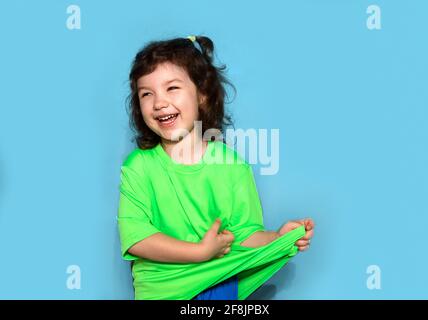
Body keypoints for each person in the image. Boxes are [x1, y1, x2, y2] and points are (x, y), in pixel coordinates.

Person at [117, 35, 315, 300]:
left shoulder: (232, 166)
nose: (159, 102)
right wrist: (199, 251)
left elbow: (244, 234)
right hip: (162, 290)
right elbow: (137, 238)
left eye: (172, 88)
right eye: (146, 94)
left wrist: (275, 237)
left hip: (217, 284)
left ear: (202, 95)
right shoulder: (139, 167)